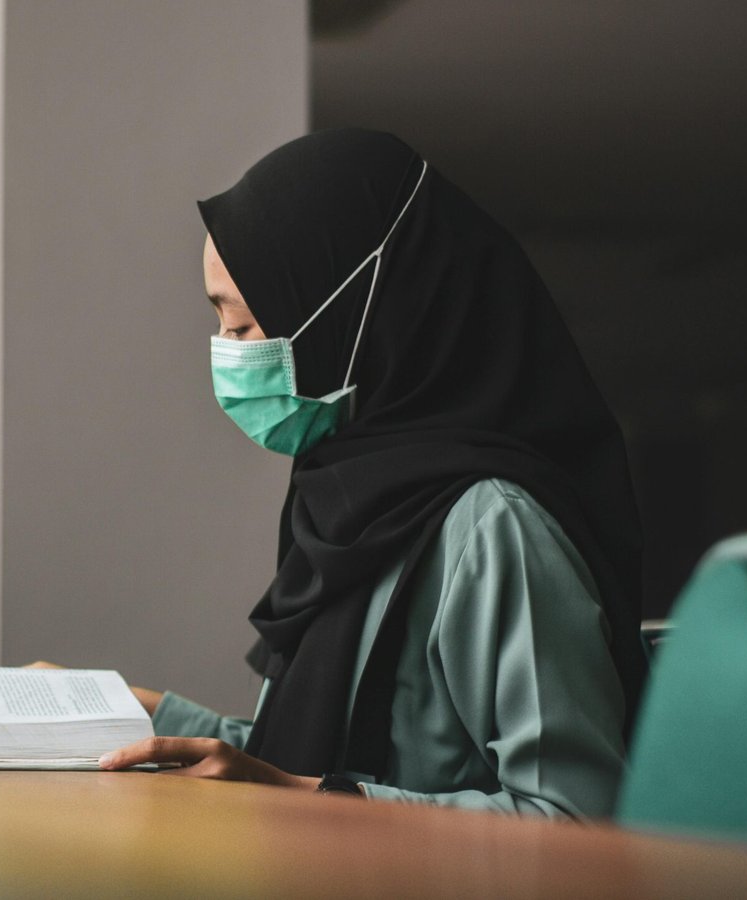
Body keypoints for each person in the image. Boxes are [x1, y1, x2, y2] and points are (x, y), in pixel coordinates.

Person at [91, 128, 649, 818]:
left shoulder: (491, 526)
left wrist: (312, 799)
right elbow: (307, 756)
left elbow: (576, 817)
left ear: (354, 316)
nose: (226, 353)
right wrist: (135, 711)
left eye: (241, 327)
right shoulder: (342, 497)